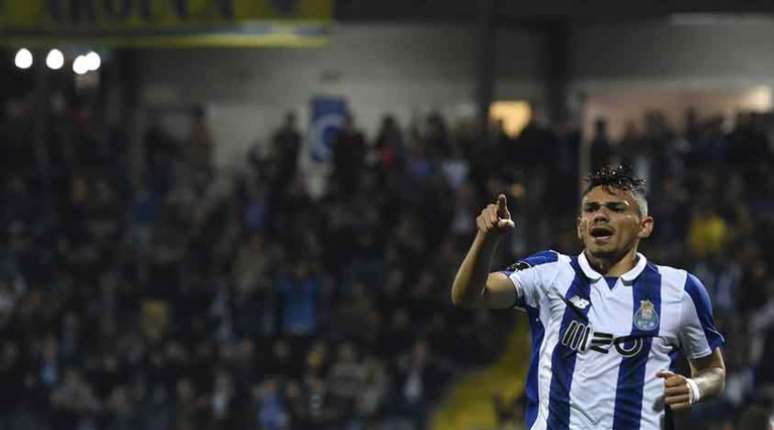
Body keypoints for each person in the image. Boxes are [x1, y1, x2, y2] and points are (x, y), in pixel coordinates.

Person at [451, 165, 726, 430]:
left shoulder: (680, 289)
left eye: (616, 208)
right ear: (581, 226)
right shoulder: (549, 272)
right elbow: (469, 296)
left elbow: (714, 371)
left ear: (645, 226)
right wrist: (486, 239)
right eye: (591, 209)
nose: (600, 215)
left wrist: (694, 387)